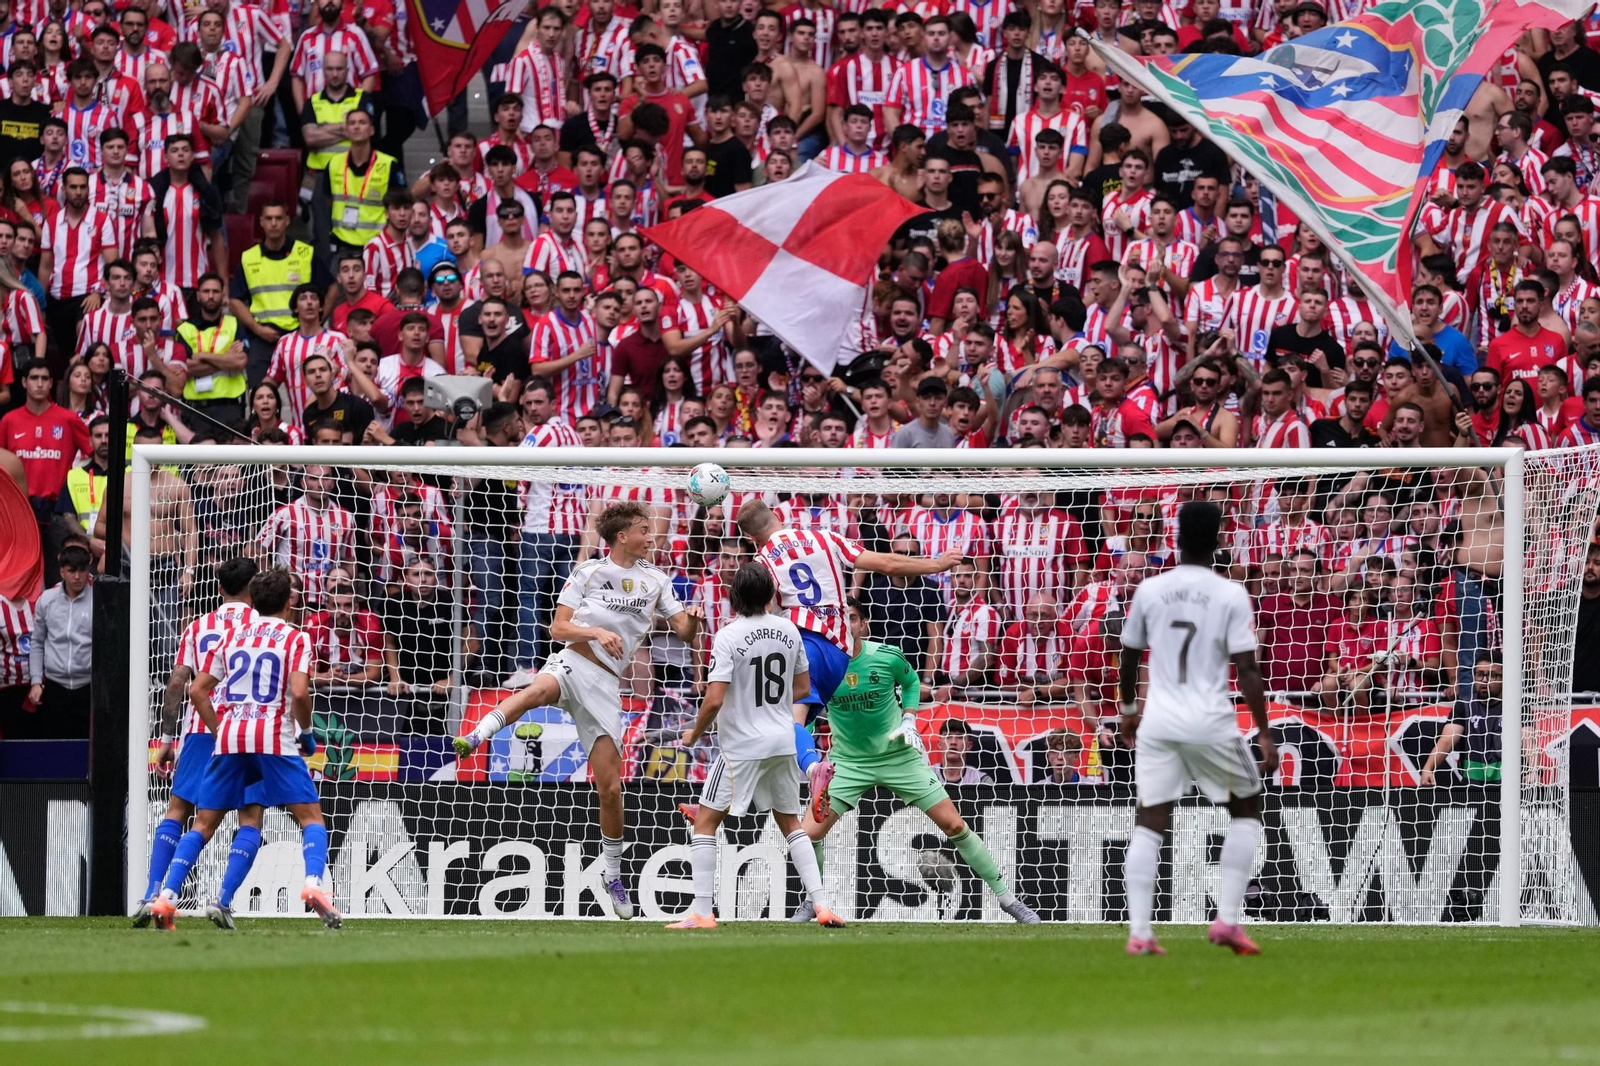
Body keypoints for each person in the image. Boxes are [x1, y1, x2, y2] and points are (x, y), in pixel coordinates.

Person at [454, 502, 702, 919]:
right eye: (644, 530)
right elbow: (557, 628)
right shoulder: (588, 572)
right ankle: (477, 734)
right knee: (537, 689)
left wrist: (693, 619)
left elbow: (684, 631)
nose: (651, 536)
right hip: (572, 662)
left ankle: (612, 873)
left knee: (610, 790)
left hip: (605, 686)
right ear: (622, 536)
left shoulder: (657, 580)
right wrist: (596, 631)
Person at [788, 598, 1039, 923]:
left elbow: (910, 682)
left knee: (954, 825)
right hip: (848, 763)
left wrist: (909, 717)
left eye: (852, 618)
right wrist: (806, 755)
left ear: (864, 624)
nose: (846, 624)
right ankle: (814, 900)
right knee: (808, 835)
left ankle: (1009, 900)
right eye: (841, 618)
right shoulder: (821, 666)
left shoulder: (887, 656)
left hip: (899, 758)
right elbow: (805, 714)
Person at [734, 498, 961, 820]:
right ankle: (730, 800)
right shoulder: (825, 537)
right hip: (840, 653)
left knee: (772, 720)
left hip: (806, 648)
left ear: (750, 538)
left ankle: (810, 770)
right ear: (776, 516)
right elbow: (888, 564)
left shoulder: (762, 563)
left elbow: (765, 611)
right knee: (779, 729)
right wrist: (937, 564)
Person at [1118, 500, 1278, 956]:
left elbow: (1128, 655)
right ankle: (1227, 920)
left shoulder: (1150, 589)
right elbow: (1247, 668)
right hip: (1209, 719)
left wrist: (1129, 709)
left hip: (1159, 720)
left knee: (1150, 820)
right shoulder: (1231, 594)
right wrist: (1264, 732)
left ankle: (1140, 933)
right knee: (1246, 808)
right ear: (1218, 540)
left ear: (1177, 538)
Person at [147, 568, 341, 931]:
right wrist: (306, 732)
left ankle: (166, 897)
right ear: (289, 602)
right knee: (310, 818)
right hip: (273, 737)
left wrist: (220, 729)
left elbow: (196, 690)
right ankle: (314, 884)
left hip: (230, 738)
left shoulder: (231, 637)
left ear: (255, 600)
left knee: (203, 823)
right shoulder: (295, 637)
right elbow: (300, 693)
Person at [671, 562, 842, 929]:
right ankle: (822, 906)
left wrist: (694, 734)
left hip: (742, 746)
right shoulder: (789, 630)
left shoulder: (728, 636)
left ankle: (702, 913)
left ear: (734, 598)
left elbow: (714, 700)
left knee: (705, 823)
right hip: (782, 740)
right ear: (770, 595)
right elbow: (801, 688)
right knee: (791, 824)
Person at [133, 556, 261, 928]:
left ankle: (152, 892)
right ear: (253, 588)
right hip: (244, 731)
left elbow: (177, 684)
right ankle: (223, 900)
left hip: (199, 730)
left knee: (178, 811)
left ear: (219, 588)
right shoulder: (264, 626)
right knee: (250, 818)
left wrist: (167, 737)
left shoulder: (198, 626)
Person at [231, 200, 323, 385]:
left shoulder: (305, 253)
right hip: (262, 338)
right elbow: (235, 300)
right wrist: (257, 329)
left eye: (278, 218)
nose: (274, 223)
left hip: (301, 336)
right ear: (261, 222)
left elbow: (332, 288)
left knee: (307, 393)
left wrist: (316, 321)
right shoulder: (249, 258)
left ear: (287, 221)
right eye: (269, 218)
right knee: (260, 394)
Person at [26, 543, 94, 739]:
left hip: (88, 687)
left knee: (88, 746)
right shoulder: (46, 600)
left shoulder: (99, 599)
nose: (77, 577)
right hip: (55, 687)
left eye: (82, 570)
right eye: (72, 571)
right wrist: (36, 681)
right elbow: (37, 642)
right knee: (55, 746)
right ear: (61, 571)